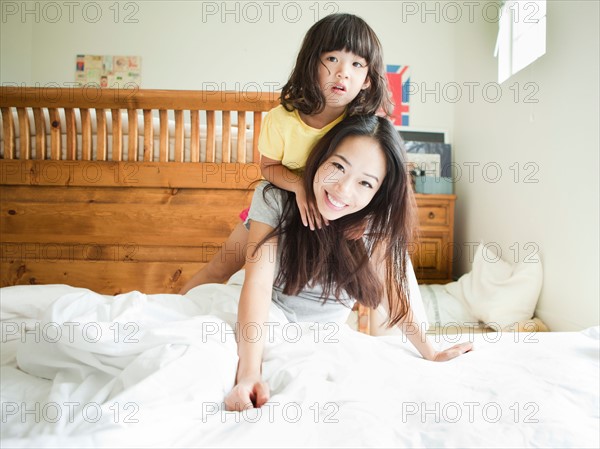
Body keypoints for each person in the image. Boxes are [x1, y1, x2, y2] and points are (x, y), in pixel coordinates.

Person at [206, 114, 473, 411]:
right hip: (261, 316)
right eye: (337, 167)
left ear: (378, 192)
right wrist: (249, 374)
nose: (343, 190)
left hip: (322, 337)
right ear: (320, 156)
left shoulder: (374, 225)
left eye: (365, 183)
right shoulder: (276, 199)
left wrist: (431, 352)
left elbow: (392, 293)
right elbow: (256, 284)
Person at [179, 13, 393, 293]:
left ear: (366, 79)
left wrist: (367, 217)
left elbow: (382, 183)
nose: (343, 72)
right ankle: (176, 307)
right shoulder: (281, 120)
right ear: (311, 62)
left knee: (374, 276)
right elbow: (268, 167)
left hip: (333, 214)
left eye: (356, 64)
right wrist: (300, 186)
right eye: (331, 59)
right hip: (279, 206)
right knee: (220, 267)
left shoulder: (363, 127)